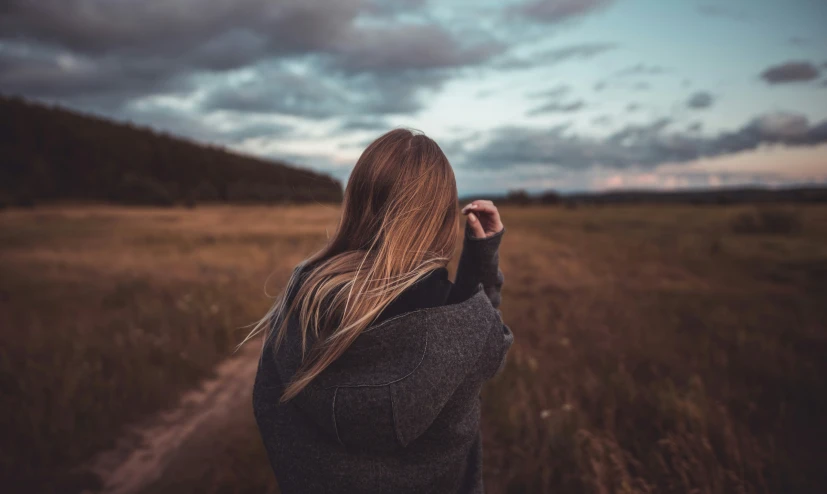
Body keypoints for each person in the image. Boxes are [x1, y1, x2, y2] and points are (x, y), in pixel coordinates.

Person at [249, 128, 513, 494]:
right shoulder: (465, 327)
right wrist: (481, 261)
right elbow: (486, 347)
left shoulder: (304, 299)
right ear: (438, 217)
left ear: (357, 202)